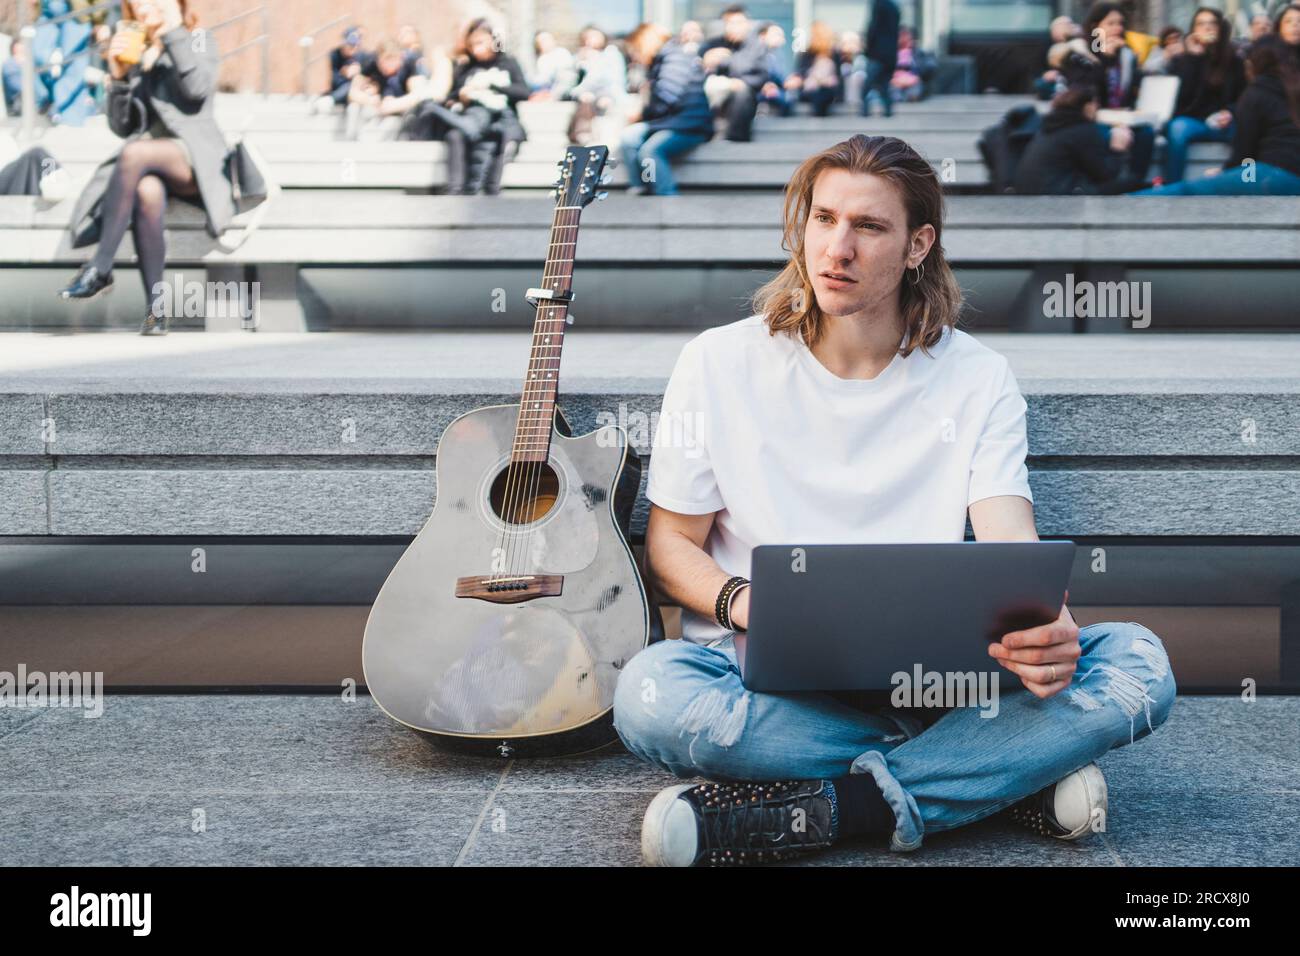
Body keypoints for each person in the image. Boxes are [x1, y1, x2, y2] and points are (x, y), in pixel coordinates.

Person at [614, 133, 1176, 867]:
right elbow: (672, 545)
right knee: (649, 694)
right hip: (763, 682)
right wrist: (753, 605)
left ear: (919, 244)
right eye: (823, 219)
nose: (836, 248)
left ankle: (834, 809)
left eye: (868, 227)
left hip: (936, 681)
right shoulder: (718, 362)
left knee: (1140, 664)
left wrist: (1047, 626)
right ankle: (1001, 775)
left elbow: (1008, 534)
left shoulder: (977, 377)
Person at [62, 0, 236, 336]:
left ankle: (100, 267)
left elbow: (197, 90)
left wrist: (172, 33)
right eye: (137, 2)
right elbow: (123, 126)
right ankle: (156, 312)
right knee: (146, 190)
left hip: (195, 158)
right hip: (149, 163)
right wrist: (118, 77)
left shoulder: (197, 38)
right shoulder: (136, 46)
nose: (144, 8)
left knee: (133, 154)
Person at [1134, 37, 1300, 194]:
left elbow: (1245, 156)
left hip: (1268, 175)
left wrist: (1225, 174)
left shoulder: (1256, 93)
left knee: (1185, 192)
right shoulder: (1293, 90)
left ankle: (1128, 204)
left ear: (1254, 64)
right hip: (1288, 177)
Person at [1065, 2, 1155, 181]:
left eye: (1120, 23)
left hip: (1123, 117)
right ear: (1095, 27)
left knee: (1146, 133)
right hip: (1093, 119)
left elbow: (1136, 86)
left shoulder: (1126, 55)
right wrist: (1104, 59)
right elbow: (1085, 91)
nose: (1117, 28)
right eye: (1110, 23)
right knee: (1107, 136)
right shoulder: (1080, 54)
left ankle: (1135, 183)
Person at [621, 23, 712, 196]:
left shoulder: (674, 58)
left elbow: (669, 96)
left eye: (635, 49)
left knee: (649, 152)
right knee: (629, 138)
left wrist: (642, 111)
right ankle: (643, 187)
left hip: (690, 124)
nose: (633, 56)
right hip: (671, 122)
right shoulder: (662, 60)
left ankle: (666, 196)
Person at [443, 18, 529, 195]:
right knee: (454, 135)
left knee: (500, 136)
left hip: (503, 120)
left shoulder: (508, 63)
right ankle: (456, 190)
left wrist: (492, 85)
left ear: (493, 40)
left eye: (480, 42)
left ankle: (491, 191)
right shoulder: (466, 67)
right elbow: (450, 96)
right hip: (473, 120)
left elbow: (523, 92)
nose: (476, 48)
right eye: (472, 44)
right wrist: (462, 95)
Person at [1161, 7, 1245, 183]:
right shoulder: (1183, 60)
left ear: (1220, 29)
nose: (1207, 28)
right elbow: (1181, 99)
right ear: (1193, 30)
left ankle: (1241, 183)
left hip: (1225, 123)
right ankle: (1172, 188)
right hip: (1194, 122)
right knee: (1177, 128)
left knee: (1246, 132)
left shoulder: (1235, 61)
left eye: (1212, 24)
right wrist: (1193, 58)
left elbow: (1244, 98)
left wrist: (1230, 112)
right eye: (1201, 24)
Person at [1013, 83, 1141, 194]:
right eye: (1096, 103)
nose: (1097, 108)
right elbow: (1105, 175)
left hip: (1036, 193)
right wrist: (1118, 148)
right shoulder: (1082, 129)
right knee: (1135, 182)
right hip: (1062, 197)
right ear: (1087, 106)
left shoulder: (1052, 125)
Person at [700, 4, 769, 141]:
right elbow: (697, 70)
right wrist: (706, 62)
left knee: (742, 93)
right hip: (715, 93)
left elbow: (761, 77)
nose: (733, 27)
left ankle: (735, 139)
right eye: (729, 23)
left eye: (738, 23)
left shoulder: (757, 46)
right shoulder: (713, 44)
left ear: (747, 24)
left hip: (744, 96)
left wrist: (736, 79)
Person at [564, 25, 627, 145]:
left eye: (594, 37)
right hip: (586, 97)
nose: (590, 40)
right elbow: (572, 84)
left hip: (609, 95)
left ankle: (597, 138)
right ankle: (583, 134)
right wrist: (581, 65)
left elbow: (614, 80)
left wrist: (608, 96)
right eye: (587, 37)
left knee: (604, 103)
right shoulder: (578, 58)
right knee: (586, 99)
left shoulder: (611, 54)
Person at [786, 20, 842, 117]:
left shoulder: (834, 53)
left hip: (828, 89)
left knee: (823, 93)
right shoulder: (806, 53)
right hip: (810, 88)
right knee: (818, 94)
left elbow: (838, 76)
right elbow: (801, 73)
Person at [862, 0, 900, 117]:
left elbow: (873, 28)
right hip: (891, 54)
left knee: (867, 85)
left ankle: (864, 112)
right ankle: (887, 111)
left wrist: (867, 48)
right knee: (885, 84)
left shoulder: (879, 5)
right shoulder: (894, 7)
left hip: (877, 53)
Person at [325, 26, 370, 110]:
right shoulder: (335, 55)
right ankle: (331, 99)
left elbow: (368, 78)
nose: (353, 48)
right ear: (344, 43)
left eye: (356, 45)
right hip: (341, 89)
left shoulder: (363, 56)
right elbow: (334, 81)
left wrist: (359, 71)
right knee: (348, 87)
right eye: (350, 45)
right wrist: (344, 73)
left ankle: (331, 99)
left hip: (357, 91)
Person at [529, 29, 575, 97]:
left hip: (557, 88)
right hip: (539, 87)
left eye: (546, 39)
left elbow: (564, 77)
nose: (545, 43)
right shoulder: (540, 58)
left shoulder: (562, 53)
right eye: (541, 41)